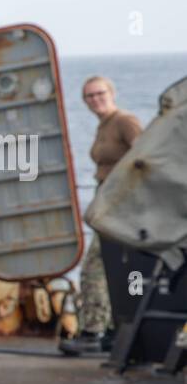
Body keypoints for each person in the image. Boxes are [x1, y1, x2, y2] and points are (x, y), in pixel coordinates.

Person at [63, 76, 142, 355]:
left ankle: (93, 332)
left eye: (99, 93)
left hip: (120, 204)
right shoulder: (104, 126)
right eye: (89, 96)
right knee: (111, 266)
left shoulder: (124, 121)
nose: (95, 99)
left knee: (95, 266)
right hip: (106, 200)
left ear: (112, 92)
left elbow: (145, 157)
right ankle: (110, 329)